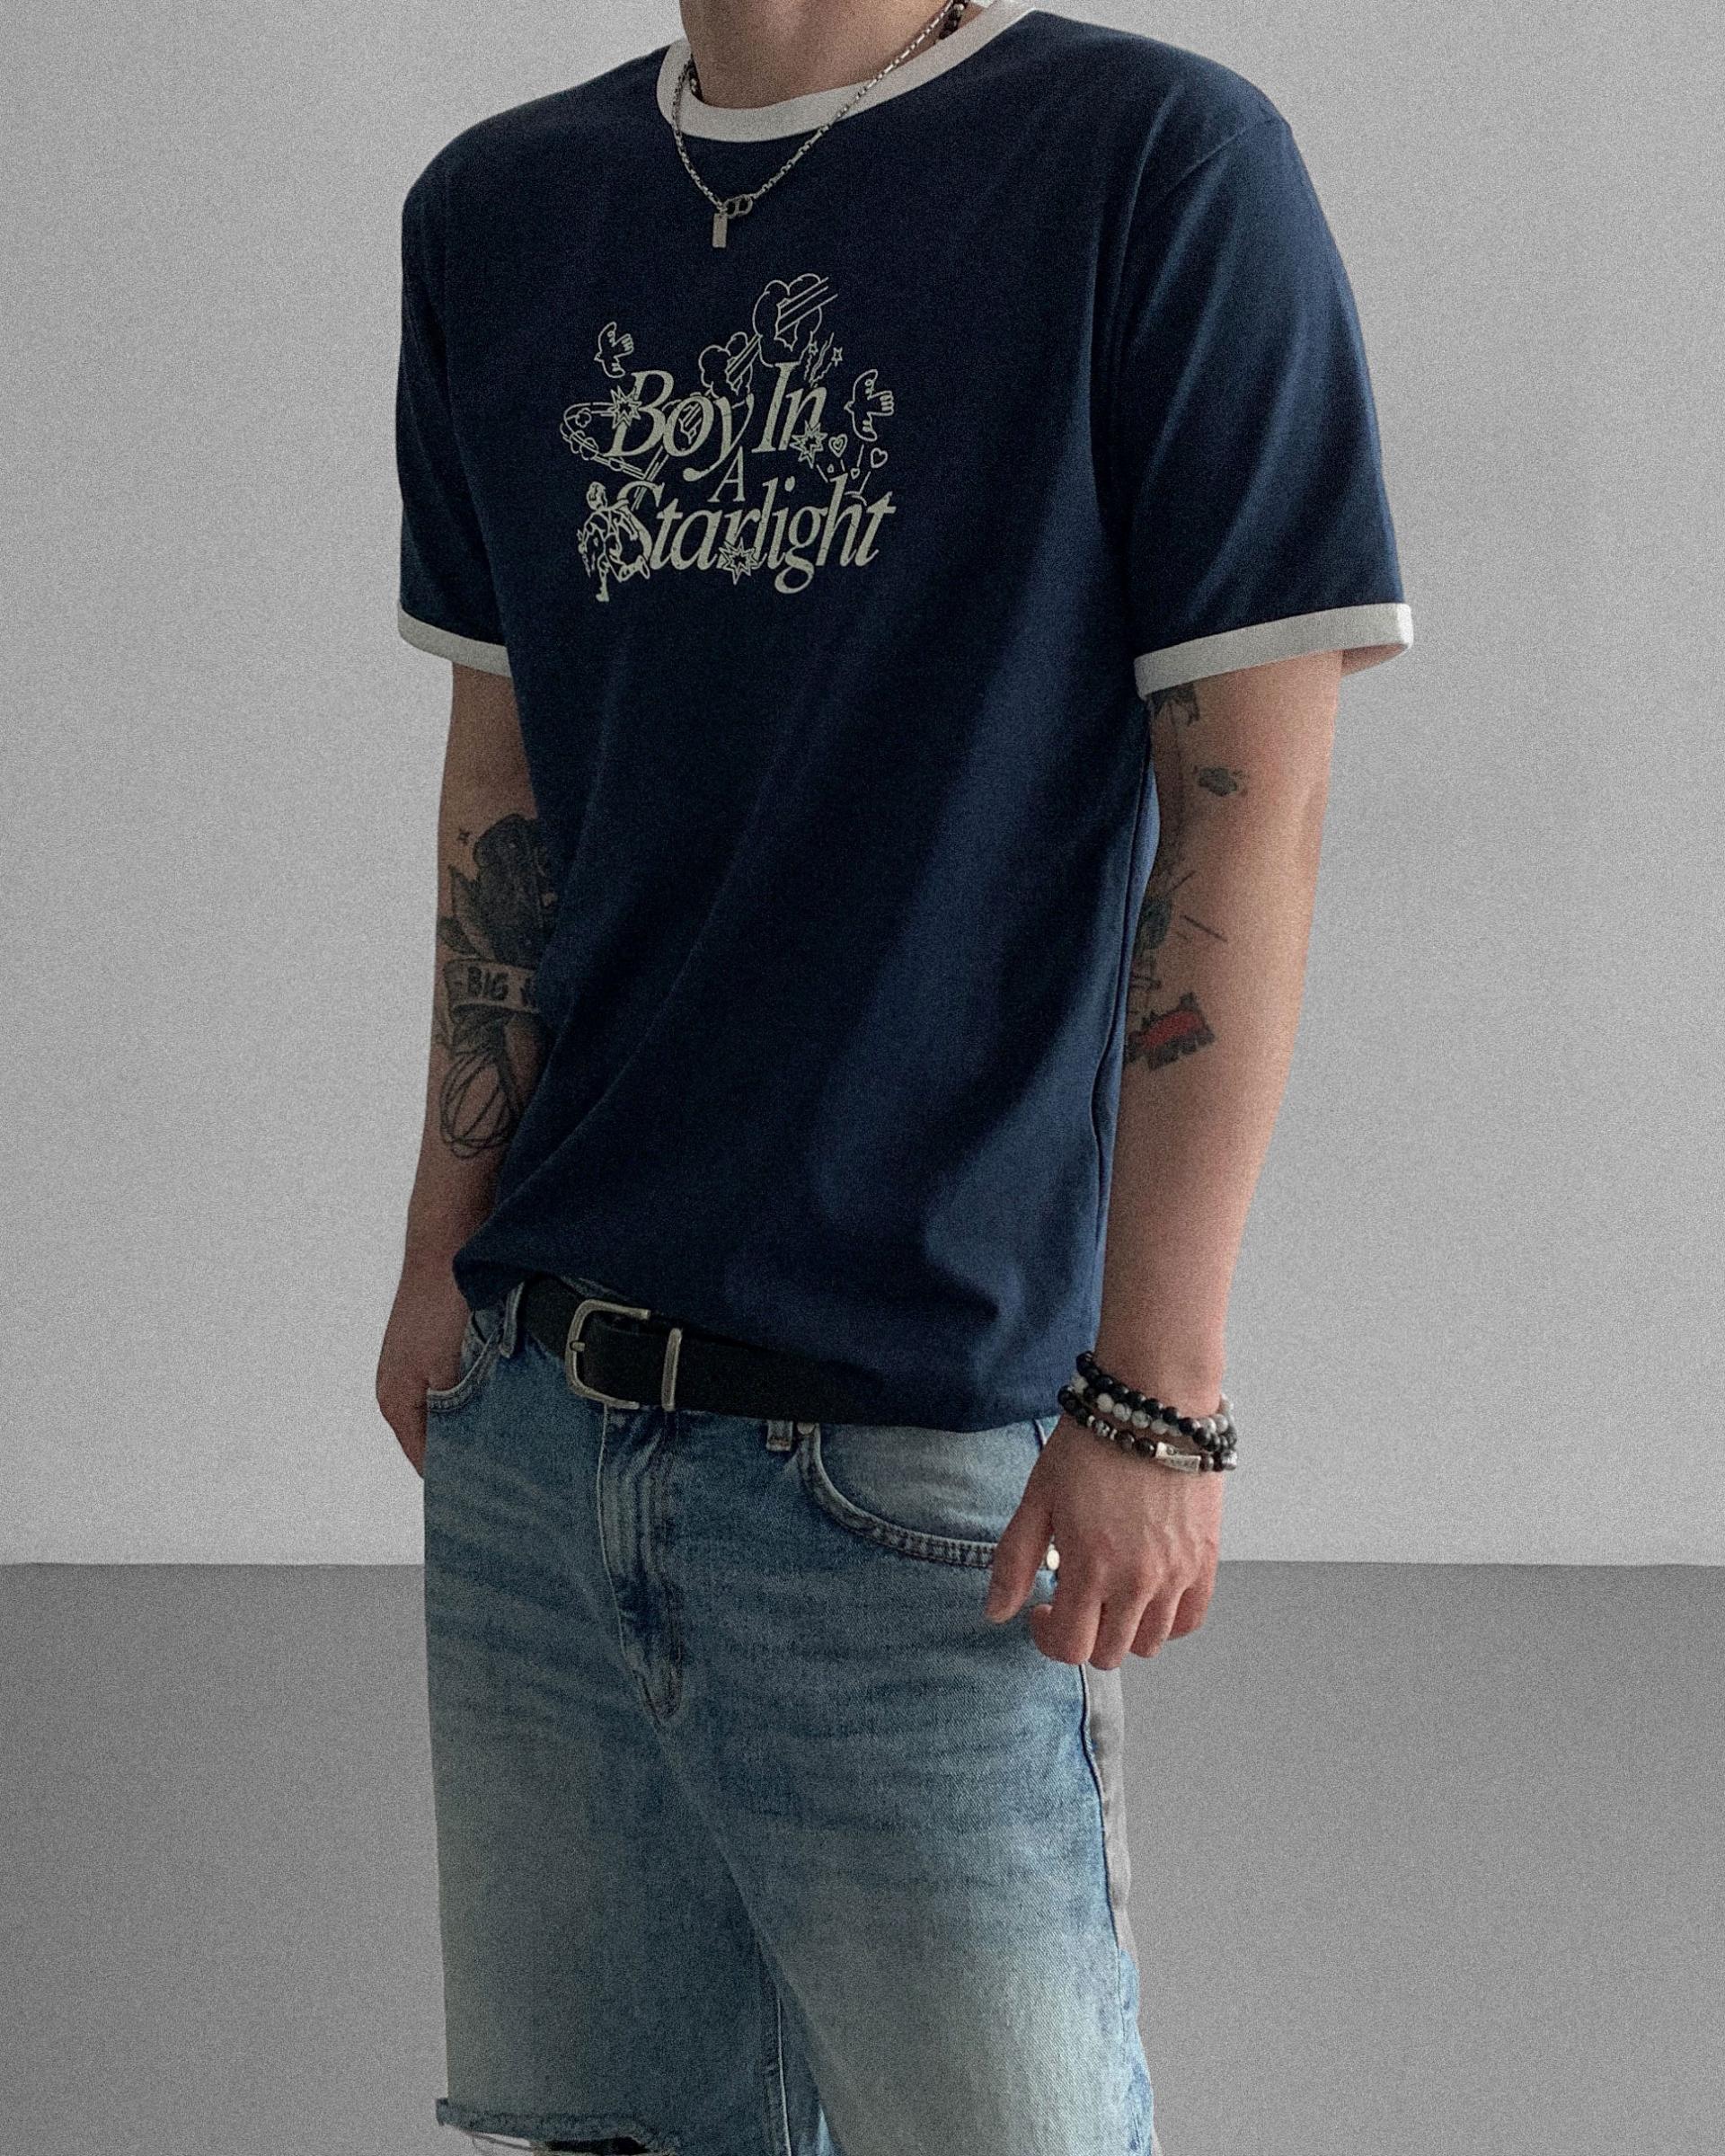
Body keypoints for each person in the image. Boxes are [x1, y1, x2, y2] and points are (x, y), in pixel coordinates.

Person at [375, 3, 1412, 2152]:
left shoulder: (1153, 170)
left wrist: (1158, 1392)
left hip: (925, 1455)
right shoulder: (500, 212)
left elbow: (1247, 815)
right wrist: (437, 1266)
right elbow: (508, 789)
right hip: (545, 1426)